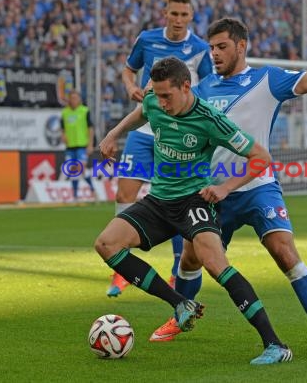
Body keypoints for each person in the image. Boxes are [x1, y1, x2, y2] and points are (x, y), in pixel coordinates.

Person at [150, 18, 307, 358]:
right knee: (191, 256)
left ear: (241, 47)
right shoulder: (203, 88)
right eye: (211, 48)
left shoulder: (268, 79)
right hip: (214, 191)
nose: (214, 53)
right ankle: (180, 315)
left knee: (285, 252)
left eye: (222, 47)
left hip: (257, 186)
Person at [95, 57, 293, 365]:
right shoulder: (154, 101)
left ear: (186, 87)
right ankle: (180, 303)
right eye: (157, 95)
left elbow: (260, 156)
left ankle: (275, 345)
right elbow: (141, 112)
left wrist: (226, 187)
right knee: (106, 244)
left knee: (215, 263)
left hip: (193, 201)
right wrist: (113, 133)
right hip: (159, 200)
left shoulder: (210, 119)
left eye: (166, 96)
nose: (160, 102)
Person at [107, 0, 213, 297]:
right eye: (173, 13)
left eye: (184, 14)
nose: (178, 20)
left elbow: (207, 87)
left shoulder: (200, 49)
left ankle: (175, 271)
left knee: (178, 198)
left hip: (178, 134)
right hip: (145, 129)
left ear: (191, 16)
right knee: (124, 191)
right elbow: (128, 69)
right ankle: (121, 269)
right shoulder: (147, 39)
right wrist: (130, 87)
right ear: (164, 13)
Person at [60, 89, 95, 200]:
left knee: (81, 167)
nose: (74, 100)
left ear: (79, 99)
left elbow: (90, 128)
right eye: (72, 98)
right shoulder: (65, 112)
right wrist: (63, 135)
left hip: (81, 145)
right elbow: (62, 128)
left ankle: (92, 189)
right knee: (73, 169)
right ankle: (75, 195)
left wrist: (90, 144)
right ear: (69, 99)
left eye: (76, 98)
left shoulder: (84, 111)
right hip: (70, 146)